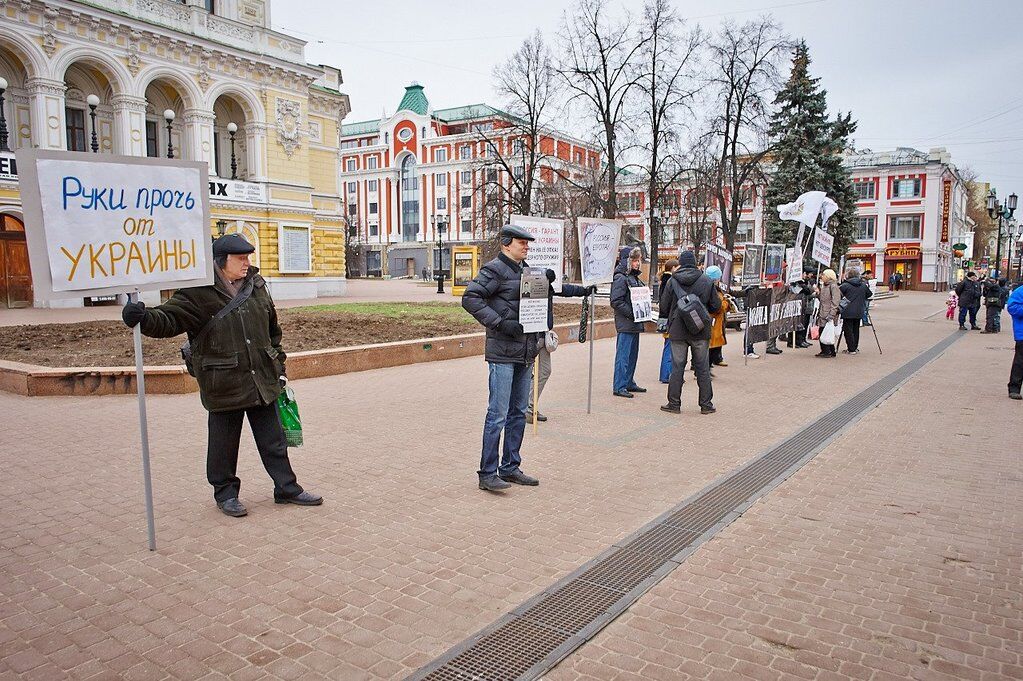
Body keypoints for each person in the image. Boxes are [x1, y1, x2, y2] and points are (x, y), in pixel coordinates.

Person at [120, 234, 321, 517]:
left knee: (273, 440)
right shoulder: (197, 291)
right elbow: (169, 320)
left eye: (248, 258)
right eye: (240, 258)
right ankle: (225, 494)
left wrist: (279, 365)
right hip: (223, 381)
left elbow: (272, 330)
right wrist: (141, 318)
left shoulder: (256, 285)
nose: (247, 263)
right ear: (220, 261)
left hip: (261, 377)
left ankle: (286, 488)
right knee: (223, 444)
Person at [461, 224, 542, 491]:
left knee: (518, 412)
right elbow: (471, 298)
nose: (526, 247)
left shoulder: (527, 271)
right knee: (497, 414)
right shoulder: (493, 269)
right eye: (522, 243)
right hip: (503, 353)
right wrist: (499, 323)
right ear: (507, 244)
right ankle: (487, 473)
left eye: (527, 244)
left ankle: (510, 467)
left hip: (525, 351)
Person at [658, 250, 721, 415]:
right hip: (700, 330)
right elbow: (716, 306)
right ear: (694, 263)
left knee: (677, 367)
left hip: (678, 331)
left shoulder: (672, 281)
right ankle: (706, 405)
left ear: (681, 263)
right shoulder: (707, 281)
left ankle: (674, 404)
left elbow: (664, 306)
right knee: (702, 368)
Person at [525, 269, 592, 424]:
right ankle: (525, 408)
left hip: (543, 333)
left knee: (545, 371)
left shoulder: (548, 285)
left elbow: (564, 289)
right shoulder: (527, 278)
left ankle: (529, 405)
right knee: (526, 373)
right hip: (529, 334)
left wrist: (584, 291)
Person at [609, 246, 648, 398]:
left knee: (632, 355)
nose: (638, 263)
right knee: (623, 356)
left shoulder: (633, 278)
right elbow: (616, 301)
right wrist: (633, 313)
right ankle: (619, 386)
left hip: (634, 322)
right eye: (634, 260)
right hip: (626, 322)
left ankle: (628, 381)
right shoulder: (621, 277)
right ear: (627, 261)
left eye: (638, 260)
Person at [839, 267, 872, 354]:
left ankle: (851, 348)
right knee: (856, 329)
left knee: (848, 330)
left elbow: (838, 295)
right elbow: (869, 294)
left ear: (848, 276)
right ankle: (854, 347)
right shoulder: (863, 285)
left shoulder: (845, 285)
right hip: (859, 310)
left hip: (847, 310)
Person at [658, 259, 680, 383]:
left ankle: (667, 374)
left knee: (669, 346)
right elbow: (667, 301)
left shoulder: (666, 280)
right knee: (669, 347)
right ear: (673, 268)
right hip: (669, 318)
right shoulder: (669, 281)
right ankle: (666, 375)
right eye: (677, 267)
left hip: (666, 317)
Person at [706, 266, 731, 367]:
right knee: (711, 345)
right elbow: (717, 307)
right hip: (714, 322)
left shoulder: (708, 287)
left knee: (711, 345)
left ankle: (707, 366)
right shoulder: (713, 290)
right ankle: (704, 369)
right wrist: (726, 302)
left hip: (713, 321)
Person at [816, 268, 841, 358]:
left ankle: (827, 351)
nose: (821, 277)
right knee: (823, 331)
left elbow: (835, 301)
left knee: (825, 332)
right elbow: (822, 299)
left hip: (828, 313)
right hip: (823, 312)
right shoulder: (825, 286)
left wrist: (832, 314)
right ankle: (827, 350)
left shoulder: (833, 286)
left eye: (823, 275)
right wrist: (818, 293)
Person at [1007, 282, 1023, 400]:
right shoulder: (1020, 291)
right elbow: (1012, 307)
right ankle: (1014, 388)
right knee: (1020, 362)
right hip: (1022, 334)